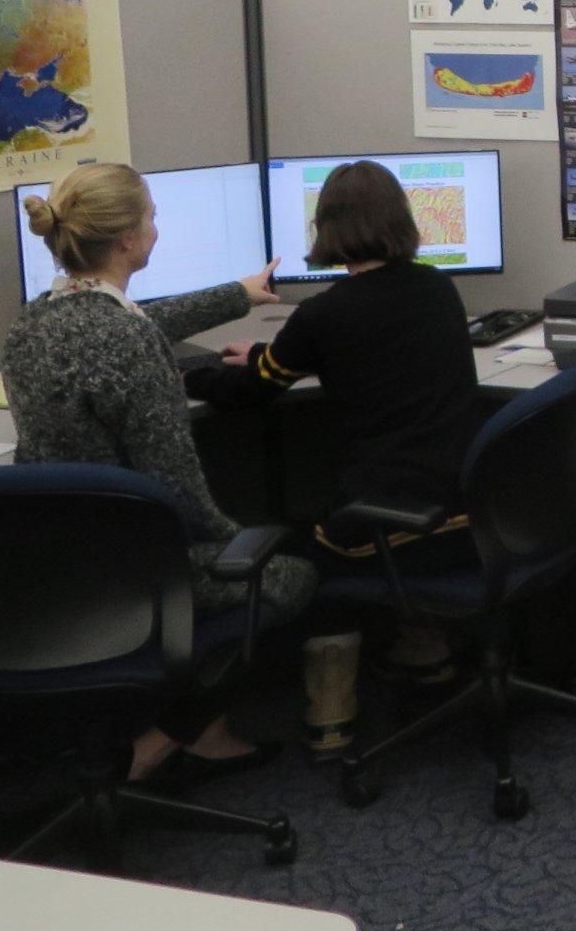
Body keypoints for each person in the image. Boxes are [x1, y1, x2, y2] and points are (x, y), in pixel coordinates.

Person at [4, 163, 318, 784]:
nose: (156, 224)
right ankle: (171, 736)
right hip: (135, 576)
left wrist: (239, 292)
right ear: (127, 239)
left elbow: (128, 322)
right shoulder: (130, 344)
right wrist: (242, 540)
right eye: (150, 213)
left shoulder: (30, 325)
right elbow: (183, 500)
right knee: (290, 573)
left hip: (46, 571)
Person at [187, 160, 483, 757]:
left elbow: (252, 392)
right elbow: (372, 351)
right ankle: (425, 654)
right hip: (466, 510)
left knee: (312, 548)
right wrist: (283, 352)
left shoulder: (325, 314)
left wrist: (200, 374)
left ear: (326, 228)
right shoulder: (438, 289)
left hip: (384, 521)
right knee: (364, 506)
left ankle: (331, 714)